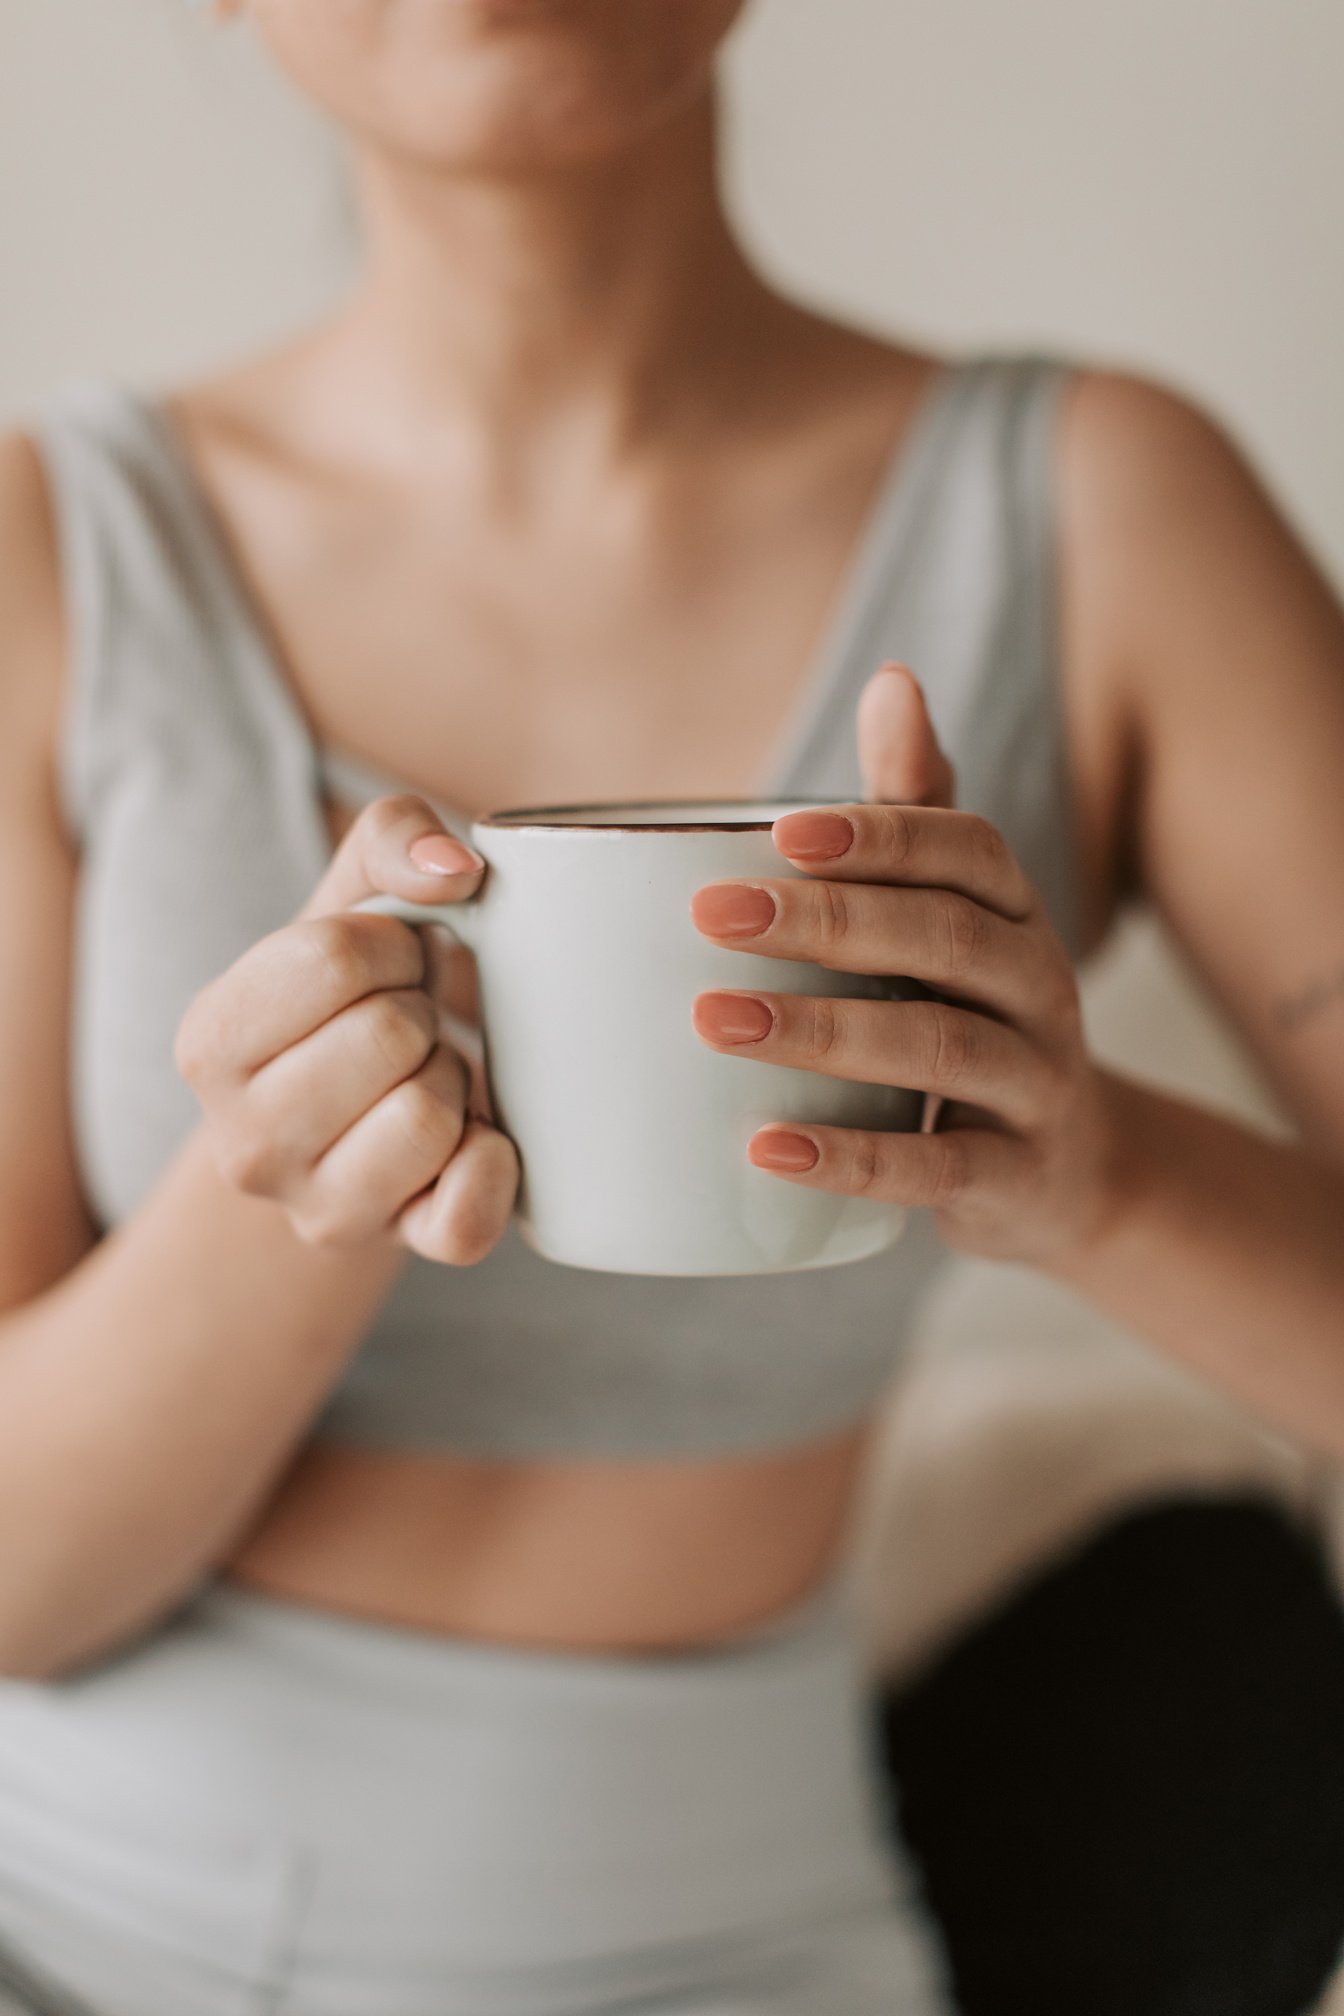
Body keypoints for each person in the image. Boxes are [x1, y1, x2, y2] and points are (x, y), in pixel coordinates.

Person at [0, 2, 1340, 2010]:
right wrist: (283, 1195)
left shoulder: (1104, 514)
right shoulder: (48, 553)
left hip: (730, 1953)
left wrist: (1095, 1177)